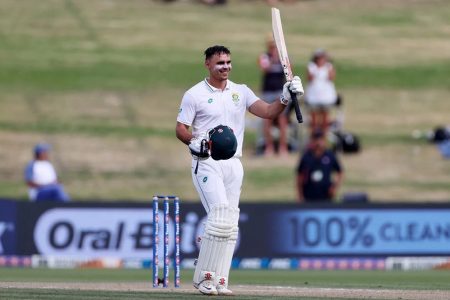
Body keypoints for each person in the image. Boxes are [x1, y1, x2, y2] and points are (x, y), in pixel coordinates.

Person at [175, 45, 303, 295]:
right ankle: (204, 277)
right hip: (207, 161)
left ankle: (221, 279)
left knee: (230, 223)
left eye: (228, 62)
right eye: (220, 63)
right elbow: (180, 128)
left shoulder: (240, 91)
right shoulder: (195, 94)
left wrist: (286, 96)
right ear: (208, 65)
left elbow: (267, 112)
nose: (225, 66)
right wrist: (193, 142)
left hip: (234, 163)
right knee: (220, 215)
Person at [257, 34, 289, 156]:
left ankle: (283, 147)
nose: (273, 48)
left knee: (282, 120)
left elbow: (288, 71)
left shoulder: (283, 58)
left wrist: (280, 58)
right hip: (268, 91)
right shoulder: (264, 57)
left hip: (280, 91)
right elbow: (265, 68)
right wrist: (273, 58)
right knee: (267, 119)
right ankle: (269, 147)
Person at [296, 130, 343, 202]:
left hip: (326, 196)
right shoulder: (306, 156)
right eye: (316, 139)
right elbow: (300, 176)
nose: (318, 142)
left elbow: (339, 172)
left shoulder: (330, 155)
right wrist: (300, 195)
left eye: (320, 139)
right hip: (309, 195)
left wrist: (334, 187)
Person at [304, 49, 337, 134]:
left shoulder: (329, 66)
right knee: (314, 118)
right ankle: (314, 137)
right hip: (313, 96)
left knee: (325, 118)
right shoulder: (311, 67)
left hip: (326, 96)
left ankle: (324, 136)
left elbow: (332, 77)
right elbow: (308, 78)